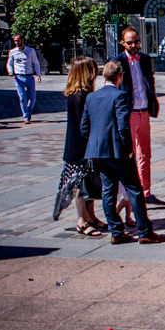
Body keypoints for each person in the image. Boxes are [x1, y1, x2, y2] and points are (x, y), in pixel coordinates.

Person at [81, 61, 165, 244]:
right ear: (120, 76)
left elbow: (84, 127)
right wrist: (128, 149)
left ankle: (116, 230)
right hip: (118, 151)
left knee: (108, 191)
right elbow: (122, 126)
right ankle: (144, 231)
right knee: (134, 189)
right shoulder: (119, 96)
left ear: (103, 76)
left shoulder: (92, 97)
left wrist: (95, 143)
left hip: (98, 151)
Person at [54, 57, 103, 236]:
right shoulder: (81, 96)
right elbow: (86, 125)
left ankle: (91, 216)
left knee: (89, 182)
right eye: (93, 69)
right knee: (81, 185)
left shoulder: (79, 94)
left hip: (79, 146)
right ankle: (81, 221)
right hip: (80, 148)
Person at [116, 28, 163, 204]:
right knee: (130, 154)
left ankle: (146, 191)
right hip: (129, 113)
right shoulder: (118, 62)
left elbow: (149, 81)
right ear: (123, 43)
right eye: (130, 42)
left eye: (136, 41)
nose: (134, 45)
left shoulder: (144, 59)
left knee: (145, 154)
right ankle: (131, 193)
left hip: (144, 111)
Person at [6, 31, 42, 124]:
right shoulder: (12, 52)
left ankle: (28, 111)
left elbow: (36, 63)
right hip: (18, 77)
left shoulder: (30, 51)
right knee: (22, 98)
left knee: (32, 98)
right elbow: (9, 63)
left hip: (29, 76)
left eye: (18, 41)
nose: (16, 43)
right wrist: (10, 71)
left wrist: (38, 75)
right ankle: (25, 117)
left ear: (22, 40)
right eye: (15, 41)